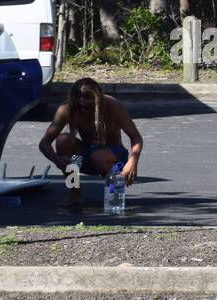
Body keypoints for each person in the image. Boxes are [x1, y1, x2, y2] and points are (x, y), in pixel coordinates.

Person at [39, 77, 143, 213]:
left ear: (98, 99)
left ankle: (115, 195)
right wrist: (58, 160)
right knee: (63, 140)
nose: (84, 109)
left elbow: (136, 137)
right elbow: (44, 143)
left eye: (89, 106)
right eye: (79, 106)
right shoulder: (67, 109)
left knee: (99, 156)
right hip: (86, 157)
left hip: (114, 159)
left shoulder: (113, 106)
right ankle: (74, 194)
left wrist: (133, 162)